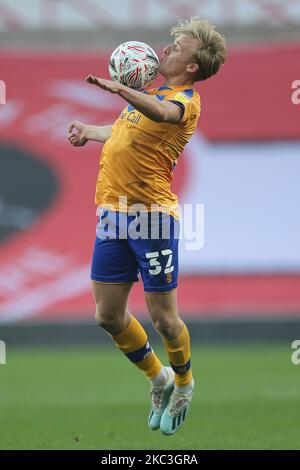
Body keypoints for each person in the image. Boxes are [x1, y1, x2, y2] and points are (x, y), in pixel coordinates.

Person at [68, 17, 226, 435]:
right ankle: (160, 379)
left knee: (164, 320)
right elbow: (125, 132)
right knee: (107, 315)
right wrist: (91, 131)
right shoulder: (151, 94)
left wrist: (121, 89)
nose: (167, 50)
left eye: (179, 48)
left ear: (192, 66)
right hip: (113, 214)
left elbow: (162, 113)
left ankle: (186, 385)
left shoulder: (185, 99)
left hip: (151, 218)